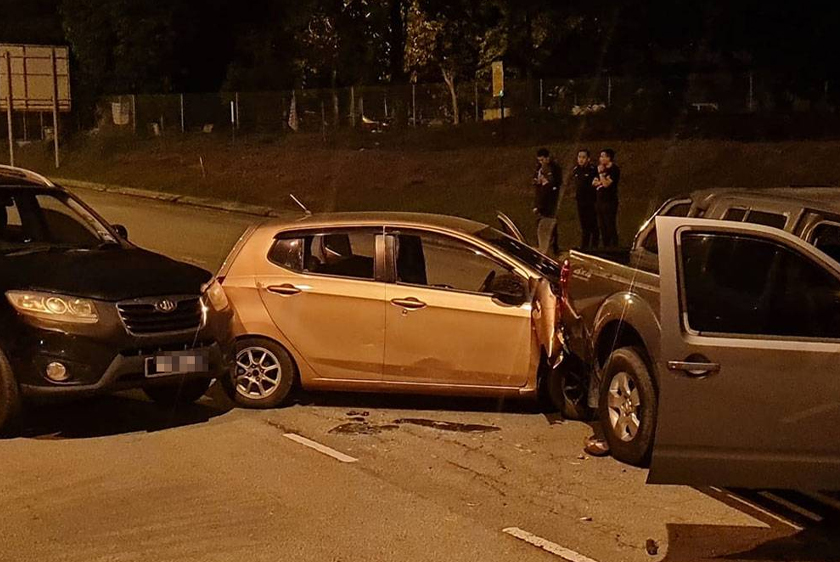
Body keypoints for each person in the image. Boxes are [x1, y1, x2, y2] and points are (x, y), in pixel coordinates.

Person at [532, 148, 562, 255]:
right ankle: (541, 246)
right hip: (541, 199)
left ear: (547, 158)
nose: (541, 162)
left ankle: (554, 248)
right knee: (540, 223)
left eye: (542, 160)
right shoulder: (539, 168)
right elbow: (535, 181)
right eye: (539, 160)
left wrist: (547, 183)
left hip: (550, 200)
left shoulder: (554, 168)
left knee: (550, 224)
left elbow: (556, 183)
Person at [571, 149, 599, 249]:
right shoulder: (576, 170)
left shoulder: (592, 170)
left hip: (591, 201)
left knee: (593, 225)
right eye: (579, 157)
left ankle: (594, 246)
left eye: (583, 157)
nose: (581, 160)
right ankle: (585, 246)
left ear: (588, 159)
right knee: (584, 225)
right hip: (580, 201)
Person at [593, 148, 620, 248]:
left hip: (609, 201)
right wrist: (601, 180)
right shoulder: (600, 168)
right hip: (599, 200)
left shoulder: (614, 170)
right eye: (600, 156)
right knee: (602, 226)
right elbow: (594, 182)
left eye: (603, 156)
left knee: (610, 225)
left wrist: (601, 175)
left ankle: (614, 247)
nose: (601, 159)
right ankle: (605, 247)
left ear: (609, 158)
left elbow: (606, 184)